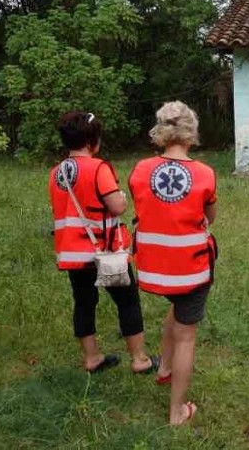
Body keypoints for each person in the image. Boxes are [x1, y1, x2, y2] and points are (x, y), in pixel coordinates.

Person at [129, 101, 218, 426]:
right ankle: (177, 412)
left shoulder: (139, 170)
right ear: (191, 132)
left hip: (152, 268)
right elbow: (209, 218)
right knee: (186, 335)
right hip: (190, 269)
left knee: (176, 309)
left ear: (161, 131)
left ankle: (164, 368)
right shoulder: (205, 174)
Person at [48, 111, 156, 375]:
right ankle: (140, 360)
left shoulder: (57, 172)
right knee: (127, 300)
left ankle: (92, 357)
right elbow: (116, 206)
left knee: (84, 302)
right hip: (104, 251)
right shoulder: (98, 168)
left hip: (71, 253)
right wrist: (121, 196)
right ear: (93, 141)